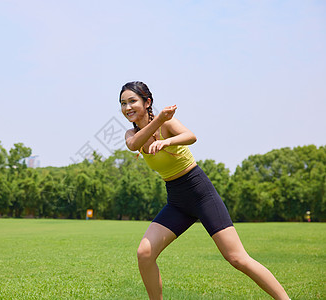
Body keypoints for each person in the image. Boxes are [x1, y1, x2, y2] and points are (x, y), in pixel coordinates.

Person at [119, 81, 290, 300]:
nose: (127, 108)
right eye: (123, 103)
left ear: (147, 102)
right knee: (144, 253)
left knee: (237, 258)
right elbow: (134, 145)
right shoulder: (131, 134)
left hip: (200, 193)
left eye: (132, 101)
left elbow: (191, 136)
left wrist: (166, 140)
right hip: (177, 201)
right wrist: (159, 120)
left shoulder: (168, 124)